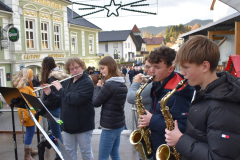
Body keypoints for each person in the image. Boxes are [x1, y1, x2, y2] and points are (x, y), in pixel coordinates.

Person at [165, 35, 240, 160]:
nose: (182, 73)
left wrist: (180, 140)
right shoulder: (204, 93)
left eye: (186, 67)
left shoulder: (221, 107)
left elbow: (218, 157)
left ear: (205, 66)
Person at [138, 46, 194, 160]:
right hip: (158, 144)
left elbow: (183, 127)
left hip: (171, 152)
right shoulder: (157, 83)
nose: (151, 71)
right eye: (151, 66)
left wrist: (151, 120)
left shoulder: (179, 92)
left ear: (170, 69)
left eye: (157, 67)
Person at [43, 57, 95, 160]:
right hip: (67, 126)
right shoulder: (67, 82)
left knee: (86, 152)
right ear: (69, 71)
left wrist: (61, 89)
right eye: (72, 69)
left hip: (83, 125)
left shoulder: (87, 82)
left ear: (82, 67)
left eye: (77, 67)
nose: (75, 71)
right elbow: (60, 100)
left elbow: (75, 99)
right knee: (70, 152)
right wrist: (50, 94)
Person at [92, 56, 127, 160]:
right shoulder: (121, 82)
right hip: (118, 124)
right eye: (100, 69)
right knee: (115, 154)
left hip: (110, 127)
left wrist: (98, 87)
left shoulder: (109, 84)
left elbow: (95, 102)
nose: (101, 72)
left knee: (103, 157)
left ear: (110, 67)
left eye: (103, 68)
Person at [41, 56, 70, 160]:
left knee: (56, 134)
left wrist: (44, 102)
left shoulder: (52, 78)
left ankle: (59, 155)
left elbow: (55, 97)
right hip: (54, 109)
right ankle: (59, 154)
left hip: (54, 110)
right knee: (56, 133)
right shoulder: (55, 76)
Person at [127, 56, 153, 160]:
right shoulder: (152, 83)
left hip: (149, 132)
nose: (145, 70)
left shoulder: (153, 86)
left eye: (148, 67)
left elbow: (130, 97)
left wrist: (136, 83)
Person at [12, 68, 40, 160]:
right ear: (28, 77)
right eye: (32, 75)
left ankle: (30, 150)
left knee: (30, 132)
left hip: (29, 112)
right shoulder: (24, 88)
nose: (33, 76)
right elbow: (24, 104)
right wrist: (25, 118)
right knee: (30, 132)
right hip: (28, 113)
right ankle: (27, 155)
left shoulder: (26, 86)